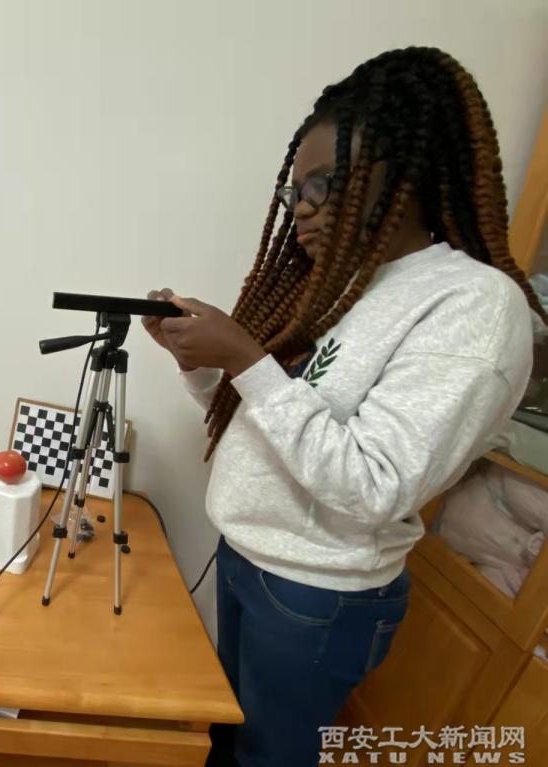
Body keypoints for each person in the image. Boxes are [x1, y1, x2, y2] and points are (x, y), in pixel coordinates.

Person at [141, 47, 547, 767]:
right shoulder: (345, 284)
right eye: (294, 192)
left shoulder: (474, 306)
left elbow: (376, 483)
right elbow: (268, 418)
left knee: (271, 756)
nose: (302, 208)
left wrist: (246, 358)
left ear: (407, 175)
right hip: (249, 556)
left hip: (315, 593)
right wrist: (202, 364)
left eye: (324, 184)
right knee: (225, 737)